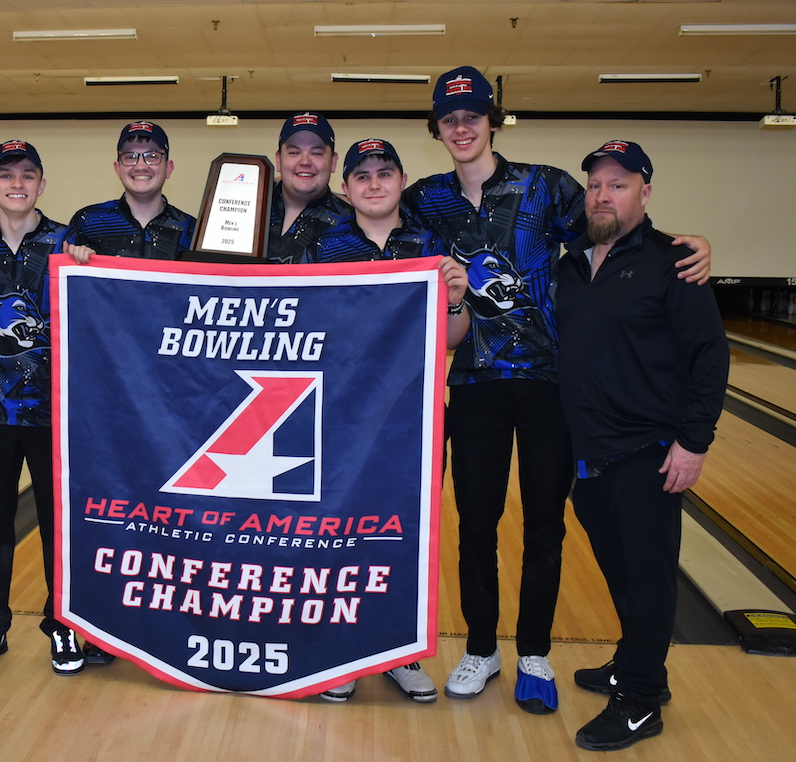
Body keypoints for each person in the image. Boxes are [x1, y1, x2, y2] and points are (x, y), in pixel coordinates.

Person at [403, 66, 712, 713]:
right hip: (476, 382)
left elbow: (614, 227)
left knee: (546, 525)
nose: (463, 128)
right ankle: (481, 648)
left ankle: (535, 651)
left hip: (550, 386)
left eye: (474, 116)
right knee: (477, 525)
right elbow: (385, 252)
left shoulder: (545, 186)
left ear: (492, 122)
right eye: (451, 119)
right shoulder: (424, 200)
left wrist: (686, 243)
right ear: (439, 128)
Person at [556, 140, 728, 750]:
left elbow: (710, 355)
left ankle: (640, 701)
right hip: (591, 451)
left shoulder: (673, 262)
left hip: (649, 451)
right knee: (621, 575)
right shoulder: (572, 261)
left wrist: (693, 441)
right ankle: (636, 665)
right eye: (596, 185)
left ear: (645, 193)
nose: (604, 195)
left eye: (619, 184)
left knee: (648, 579)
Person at [305, 138, 469, 703]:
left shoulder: (429, 246)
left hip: (411, 418)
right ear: (345, 186)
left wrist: (453, 298)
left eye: (385, 173)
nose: (373, 184)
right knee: (337, 535)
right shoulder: (322, 247)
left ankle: (400, 653)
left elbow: (451, 338)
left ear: (402, 181)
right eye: (362, 176)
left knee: (404, 536)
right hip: (338, 419)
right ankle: (343, 652)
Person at [0, 141, 86, 676]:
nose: (17, 183)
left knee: (59, 523)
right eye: (5, 174)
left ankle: (64, 626)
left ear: (41, 184)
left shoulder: (67, 241)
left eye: (27, 174)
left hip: (53, 412)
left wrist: (86, 265)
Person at [64, 121, 196, 263]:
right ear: (117, 169)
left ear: (168, 168)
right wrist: (78, 259)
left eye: (152, 156)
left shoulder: (191, 230)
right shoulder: (87, 221)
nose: (140, 166)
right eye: (130, 157)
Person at [268, 112, 354, 263]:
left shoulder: (351, 222)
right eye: (294, 152)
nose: (305, 162)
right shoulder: (250, 207)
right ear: (279, 160)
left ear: (333, 162)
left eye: (316, 153)